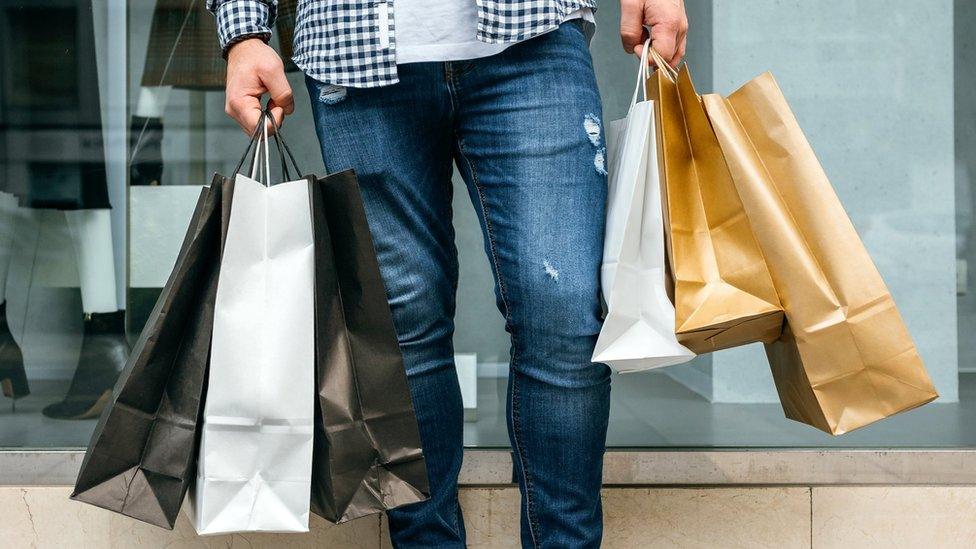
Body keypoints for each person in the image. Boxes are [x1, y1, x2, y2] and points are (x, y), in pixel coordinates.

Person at [207, 0, 687, 546]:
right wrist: (244, 31)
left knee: (565, 313)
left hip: (531, 34)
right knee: (401, 323)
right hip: (352, 43)